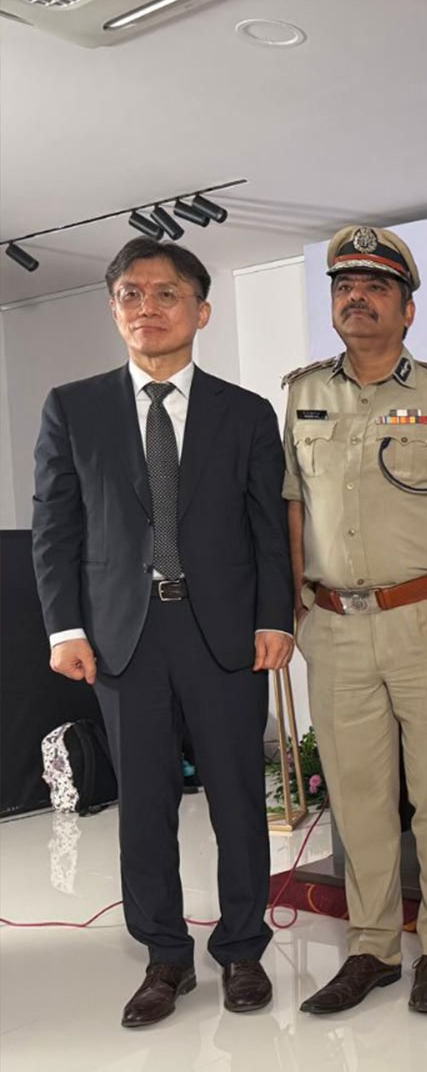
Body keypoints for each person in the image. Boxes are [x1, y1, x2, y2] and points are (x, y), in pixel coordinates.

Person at [32, 237, 292, 1027]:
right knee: (142, 804)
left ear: (200, 311)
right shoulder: (71, 407)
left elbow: (267, 529)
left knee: (239, 799)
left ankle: (243, 948)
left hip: (223, 635)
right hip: (122, 639)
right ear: (114, 310)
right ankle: (164, 959)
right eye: (131, 294)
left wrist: (276, 618)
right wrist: (64, 628)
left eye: (166, 294)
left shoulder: (244, 413)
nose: (147, 307)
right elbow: (57, 529)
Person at [287, 226, 427, 1016]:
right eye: (345, 284)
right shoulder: (303, 394)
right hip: (335, 628)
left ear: (407, 310)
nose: (358, 297)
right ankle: (373, 949)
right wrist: (295, 607)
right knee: (356, 795)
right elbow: (290, 505)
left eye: (376, 287)